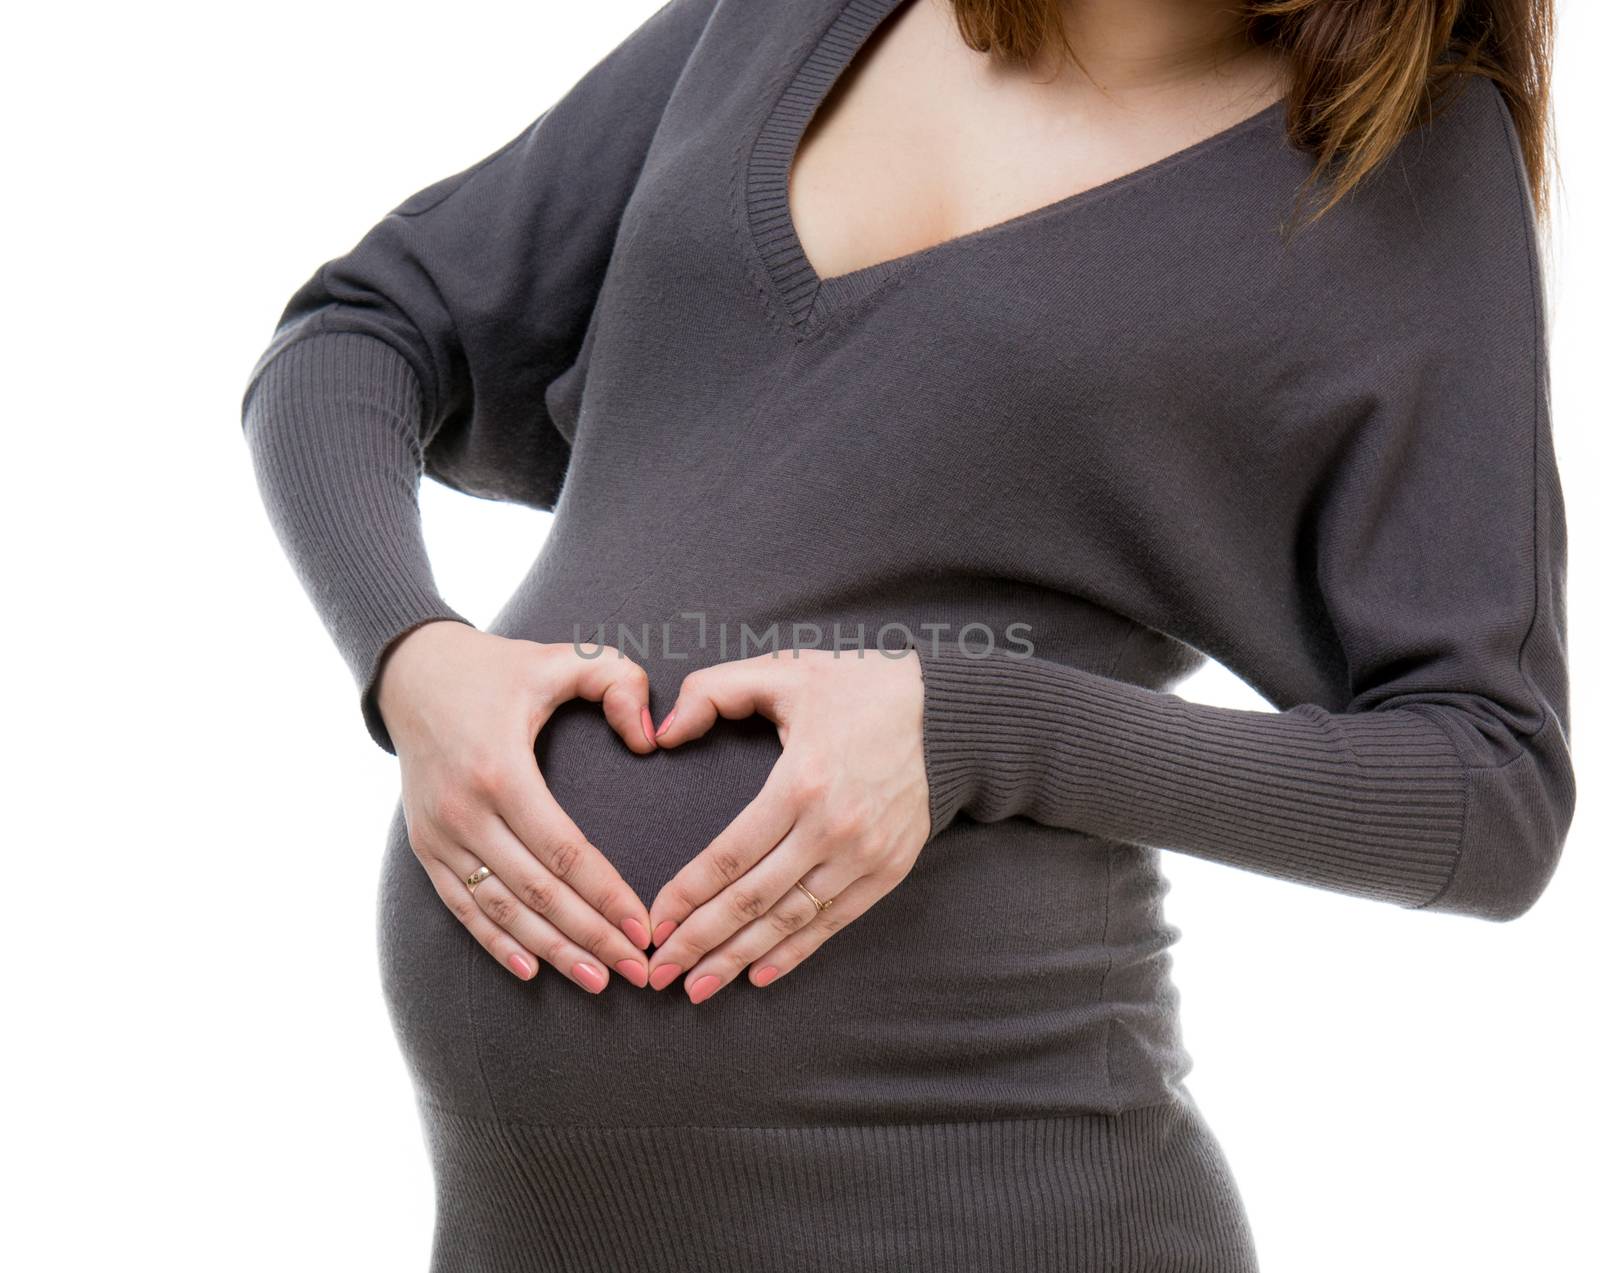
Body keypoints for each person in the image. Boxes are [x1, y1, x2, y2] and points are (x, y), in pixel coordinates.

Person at [238, 0, 1575, 1268]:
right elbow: (362, 328)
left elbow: (1492, 781)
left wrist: (977, 724)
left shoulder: (1398, 165)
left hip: (998, 1194)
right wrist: (412, 654)